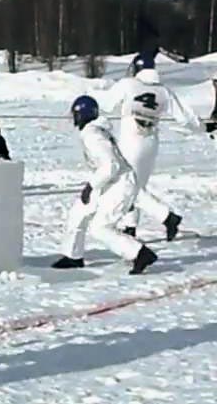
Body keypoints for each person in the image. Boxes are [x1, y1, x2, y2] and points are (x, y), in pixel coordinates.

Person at [51, 96, 157, 275]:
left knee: (100, 228)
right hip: (108, 181)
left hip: (118, 183)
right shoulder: (93, 131)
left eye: (76, 114)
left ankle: (140, 253)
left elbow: (111, 165)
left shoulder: (93, 135)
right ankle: (73, 256)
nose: (74, 119)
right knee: (78, 213)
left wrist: (91, 186)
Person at [104, 62, 204, 240]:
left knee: (127, 185)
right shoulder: (164, 91)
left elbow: (106, 103)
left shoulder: (128, 84)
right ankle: (130, 227)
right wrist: (202, 127)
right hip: (150, 143)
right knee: (136, 185)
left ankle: (167, 217)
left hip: (130, 140)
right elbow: (186, 118)